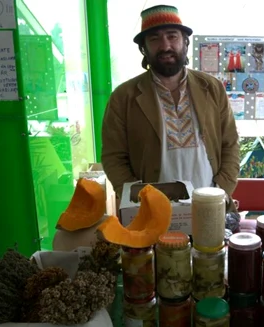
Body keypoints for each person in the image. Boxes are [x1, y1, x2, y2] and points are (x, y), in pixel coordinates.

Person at [101, 5, 239, 205]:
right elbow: (113, 157)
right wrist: (136, 198)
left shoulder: (212, 88)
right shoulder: (124, 97)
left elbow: (230, 144)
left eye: (172, 36)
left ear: (185, 42)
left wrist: (221, 191)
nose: (165, 46)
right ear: (144, 48)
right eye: (154, 39)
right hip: (150, 210)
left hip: (209, 203)